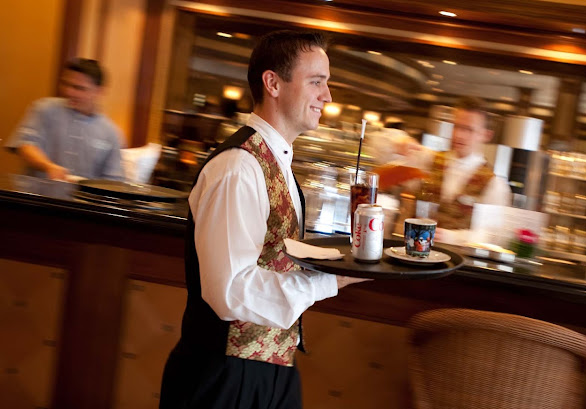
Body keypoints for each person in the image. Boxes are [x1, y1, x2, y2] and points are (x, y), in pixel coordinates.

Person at [159, 30, 367, 409]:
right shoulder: (238, 167)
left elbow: (275, 256)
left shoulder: (277, 161)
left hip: (274, 370)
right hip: (225, 378)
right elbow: (231, 291)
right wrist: (331, 280)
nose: (328, 96)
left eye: (327, 83)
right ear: (272, 83)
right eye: (316, 82)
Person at [395, 97, 511, 230]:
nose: (459, 135)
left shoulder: (494, 185)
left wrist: (454, 238)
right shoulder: (428, 160)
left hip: (456, 251)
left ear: (486, 135)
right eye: (456, 126)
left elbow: (489, 235)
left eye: (468, 130)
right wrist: (399, 143)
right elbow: (386, 165)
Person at [5, 58, 124, 181]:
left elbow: (113, 179)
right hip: (36, 194)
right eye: (65, 84)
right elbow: (26, 145)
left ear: (99, 91)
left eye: (79, 88)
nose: (69, 92)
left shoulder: (111, 132)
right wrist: (48, 166)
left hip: (81, 199)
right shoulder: (44, 109)